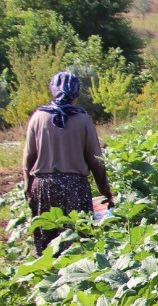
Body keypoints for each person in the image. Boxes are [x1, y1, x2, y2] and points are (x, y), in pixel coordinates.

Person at [22, 71, 112, 254]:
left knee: (47, 243)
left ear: (53, 91)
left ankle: (48, 277)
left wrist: (28, 186)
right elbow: (96, 162)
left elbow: (28, 158)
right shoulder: (83, 120)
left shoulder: (38, 117)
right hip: (74, 187)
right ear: (76, 95)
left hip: (44, 186)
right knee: (77, 242)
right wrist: (105, 192)